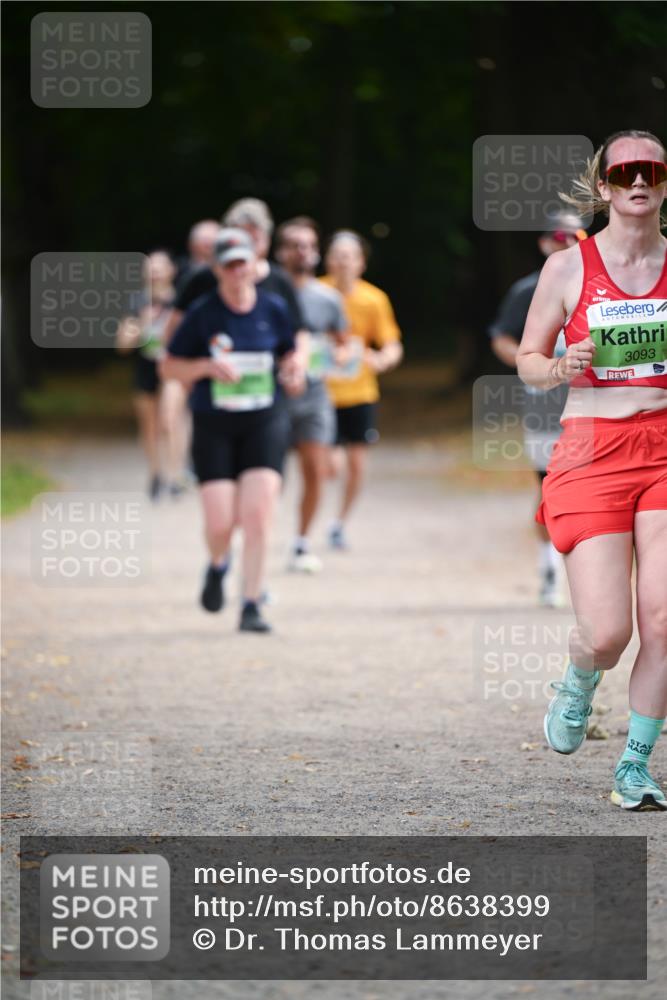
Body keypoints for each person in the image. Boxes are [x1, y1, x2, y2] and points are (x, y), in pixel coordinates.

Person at [516, 130, 667, 810]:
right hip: (590, 449)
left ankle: (634, 766)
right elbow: (526, 359)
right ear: (603, 186)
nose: (639, 180)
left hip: (662, 445)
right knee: (607, 633)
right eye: (624, 171)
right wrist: (558, 366)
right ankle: (580, 678)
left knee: (662, 622)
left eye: (652, 170)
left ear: (663, 184)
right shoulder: (567, 269)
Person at [161, 228, 306, 633]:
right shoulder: (203, 313)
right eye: (229, 264)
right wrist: (205, 367)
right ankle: (217, 564)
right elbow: (169, 366)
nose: (237, 271)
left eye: (243, 262)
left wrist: (293, 370)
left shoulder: (274, 307)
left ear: (253, 265)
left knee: (258, 515)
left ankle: (251, 602)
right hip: (214, 424)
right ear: (218, 269)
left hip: (264, 420)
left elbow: (291, 350)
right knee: (221, 523)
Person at [489, 214, 588, 605]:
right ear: (544, 243)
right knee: (551, 487)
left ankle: (586, 575)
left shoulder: (599, 286)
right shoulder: (527, 290)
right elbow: (501, 338)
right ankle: (549, 566)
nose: (566, 242)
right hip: (546, 404)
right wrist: (537, 365)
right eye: (558, 236)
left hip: (594, 403)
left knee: (590, 488)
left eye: (575, 235)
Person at [320, 230, 403, 550]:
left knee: (356, 466)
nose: (342, 261)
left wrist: (383, 359)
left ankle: (339, 522)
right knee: (331, 465)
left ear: (361, 263)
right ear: (328, 260)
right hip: (323, 395)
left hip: (361, 393)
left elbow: (392, 344)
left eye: (349, 255)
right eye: (337, 255)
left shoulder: (374, 299)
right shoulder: (316, 292)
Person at [275, 216, 348, 572]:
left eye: (308, 245)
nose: (302, 251)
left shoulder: (328, 298)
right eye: (294, 245)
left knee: (316, 470)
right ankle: (257, 531)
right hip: (272, 395)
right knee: (270, 474)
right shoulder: (267, 292)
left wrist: (339, 356)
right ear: (280, 252)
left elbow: (343, 342)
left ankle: (302, 542)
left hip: (315, 395)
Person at [116, 250, 181, 499]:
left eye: (159, 267)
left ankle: (175, 475)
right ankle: (156, 474)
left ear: (171, 271)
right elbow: (122, 346)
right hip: (145, 367)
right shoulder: (136, 303)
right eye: (150, 267)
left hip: (172, 368)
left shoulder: (179, 301)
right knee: (149, 425)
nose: (154, 272)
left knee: (169, 420)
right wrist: (143, 325)